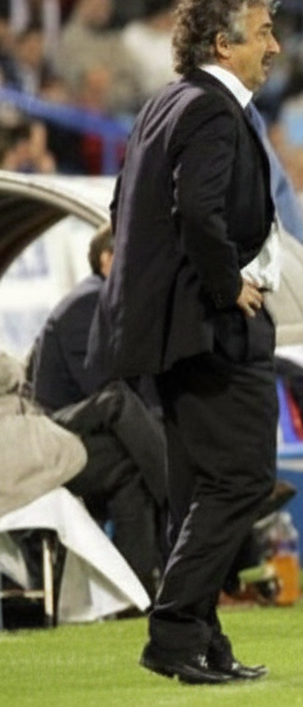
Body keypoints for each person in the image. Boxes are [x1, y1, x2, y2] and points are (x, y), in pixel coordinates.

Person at [87, 0, 282, 685]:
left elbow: (122, 206)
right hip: (210, 326)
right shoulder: (209, 110)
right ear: (224, 43)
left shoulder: (163, 104)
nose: (274, 47)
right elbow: (198, 212)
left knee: (201, 486)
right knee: (242, 480)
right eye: (263, 32)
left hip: (171, 330)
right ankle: (173, 633)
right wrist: (229, 285)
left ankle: (202, 639)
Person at [28, 224, 167, 595]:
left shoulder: (115, 306)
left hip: (89, 434)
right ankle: (187, 501)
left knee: (132, 471)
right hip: (56, 435)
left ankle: (136, 594)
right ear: (107, 260)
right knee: (118, 403)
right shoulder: (87, 303)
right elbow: (99, 385)